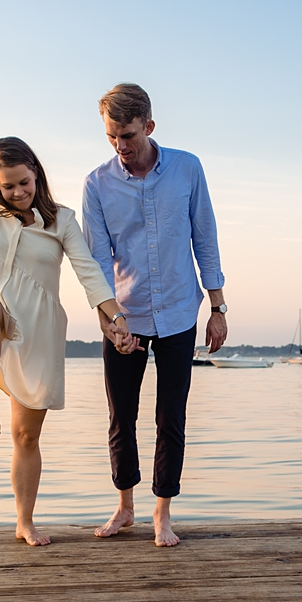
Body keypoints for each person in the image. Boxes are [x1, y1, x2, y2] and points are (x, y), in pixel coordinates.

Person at [0, 43, 140, 547]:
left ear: (37, 173)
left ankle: (24, 521)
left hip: (36, 333)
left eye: (24, 182)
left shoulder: (62, 222)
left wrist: (114, 317)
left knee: (26, 437)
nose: (17, 193)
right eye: (7, 186)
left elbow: (90, 272)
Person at [82, 83, 227, 547]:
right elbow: (97, 261)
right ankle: (125, 508)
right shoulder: (97, 183)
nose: (121, 146)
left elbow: (205, 238)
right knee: (120, 415)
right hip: (125, 317)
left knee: (172, 416)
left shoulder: (187, 168)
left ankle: (162, 513)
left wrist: (218, 307)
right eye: (111, 137)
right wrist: (112, 320)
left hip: (181, 312)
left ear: (149, 126)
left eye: (127, 135)